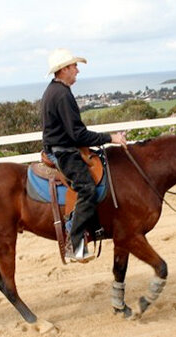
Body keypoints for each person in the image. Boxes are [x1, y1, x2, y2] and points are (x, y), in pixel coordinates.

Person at [41, 48, 126, 262]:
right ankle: (75, 244)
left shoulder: (55, 90)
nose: (77, 71)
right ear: (63, 70)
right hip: (64, 152)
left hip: (62, 147)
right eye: (74, 66)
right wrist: (110, 138)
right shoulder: (61, 94)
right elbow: (77, 134)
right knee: (87, 189)